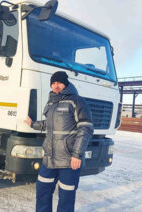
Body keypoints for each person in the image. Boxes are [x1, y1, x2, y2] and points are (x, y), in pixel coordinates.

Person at [25, 71, 93, 212]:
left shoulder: (77, 101)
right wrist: (33, 124)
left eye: (59, 83)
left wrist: (77, 154)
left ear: (66, 83)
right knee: (42, 193)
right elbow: (49, 124)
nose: (56, 86)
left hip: (68, 160)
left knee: (66, 200)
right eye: (53, 83)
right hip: (49, 159)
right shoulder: (51, 102)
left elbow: (85, 129)